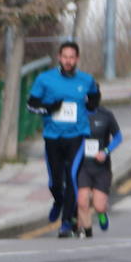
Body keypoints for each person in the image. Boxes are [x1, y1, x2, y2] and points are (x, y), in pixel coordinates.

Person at [26, 41, 100, 238]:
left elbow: (94, 97)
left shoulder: (86, 80)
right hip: (52, 136)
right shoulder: (45, 79)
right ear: (59, 57)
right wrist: (50, 108)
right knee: (55, 182)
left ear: (77, 59)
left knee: (73, 178)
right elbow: (31, 104)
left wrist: (91, 105)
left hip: (77, 135)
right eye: (65, 57)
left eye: (72, 57)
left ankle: (66, 222)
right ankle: (58, 201)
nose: (68, 61)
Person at [76, 100, 122, 237]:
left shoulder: (106, 115)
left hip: (101, 167)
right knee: (82, 201)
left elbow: (118, 137)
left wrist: (106, 151)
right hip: (83, 166)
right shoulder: (78, 114)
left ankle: (102, 213)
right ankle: (86, 230)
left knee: (99, 206)